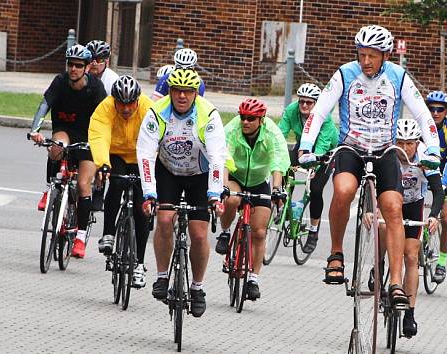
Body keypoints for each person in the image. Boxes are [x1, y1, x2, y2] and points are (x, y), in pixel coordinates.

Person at [298, 25, 441, 308]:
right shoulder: (345, 74)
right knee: (344, 189)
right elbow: (319, 111)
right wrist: (305, 146)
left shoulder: (398, 77)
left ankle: (397, 282)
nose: (365, 61)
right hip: (351, 146)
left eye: (372, 56)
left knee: (392, 207)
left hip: (386, 150)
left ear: (385, 55)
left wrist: (434, 148)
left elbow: (423, 113)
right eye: (361, 54)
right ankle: (336, 254)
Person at [136, 68, 226, 317]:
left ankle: (197, 288)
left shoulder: (208, 114)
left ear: (196, 92)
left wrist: (215, 195)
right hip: (168, 172)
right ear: (170, 91)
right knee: (164, 219)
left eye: (187, 91)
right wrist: (149, 194)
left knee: (198, 234)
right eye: (177, 90)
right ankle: (163, 277)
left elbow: (218, 158)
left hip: (200, 174)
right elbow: (145, 154)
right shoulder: (157, 112)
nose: (182, 96)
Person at [29, 44, 107, 258]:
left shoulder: (95, 87)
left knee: (83, 185)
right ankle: (50, 189)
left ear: (87, 67)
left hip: (89, 136)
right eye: (70, 64)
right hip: (65, 130)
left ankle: (80, 237)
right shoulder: (60, 82)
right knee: (56, 147)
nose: (73, 69)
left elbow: (106, 117)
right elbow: (45, 104)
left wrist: (103, 150)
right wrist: (35, 130)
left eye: (78, 65)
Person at [216, 98, 290, 301]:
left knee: (258, 232)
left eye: (251, 119)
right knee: (231, 199)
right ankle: (224, 233)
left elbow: (278, 160)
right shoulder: (232, 129)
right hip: (235, 176)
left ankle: (253, 280)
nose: (245, 122)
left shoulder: (271, 133)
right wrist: (222, 185)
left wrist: (276, 189)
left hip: (259, 181)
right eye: (243, 118)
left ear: (261, 120)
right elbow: (223, 157)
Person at [88, 75, 154, 287]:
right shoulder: (105, 108)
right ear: (114, 100)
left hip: (140, 156)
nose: (126, 108)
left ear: (138, 100)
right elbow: (99, 135)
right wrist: (102, 163)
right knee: (115, 183)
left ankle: (139, 264)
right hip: (115, 154)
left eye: (130, 103)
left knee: (142, 208)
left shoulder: (148, 109)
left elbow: (157, 138)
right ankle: (108, 233)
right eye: (121, 103)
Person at [379, 119, 443, 337]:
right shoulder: (388, 155)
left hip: (414, 205)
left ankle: (410, 314)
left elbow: (438, 190)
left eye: (410, 143)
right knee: (381, 231)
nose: (405, 148)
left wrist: (434, 216)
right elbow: (368, 184)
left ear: (418, 143)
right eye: (401, 142)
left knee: (411, 257)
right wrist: (370, 211)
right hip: (389, 204)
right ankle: (377, 269)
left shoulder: (426, 157)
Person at [278, 83, 338, 253]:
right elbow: (280, 133)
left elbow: (322, 146)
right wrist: (277, 153)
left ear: (316, 103)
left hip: (324, 151)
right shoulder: (292, 110)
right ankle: (283, 206)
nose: (304, 105)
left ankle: (313, 231)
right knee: (281, 168)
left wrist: (315, 166)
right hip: (303, 146)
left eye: (309, 102)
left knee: (316, 189)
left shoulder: (324, 118)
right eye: (302, 101)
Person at [423, 90, 447, 284]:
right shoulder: (421, 125)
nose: (435, 113)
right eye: (431, 109)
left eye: (440, 109)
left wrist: (443, 184)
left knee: (446, 217)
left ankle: (442, 263)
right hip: (425, 170)